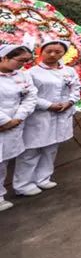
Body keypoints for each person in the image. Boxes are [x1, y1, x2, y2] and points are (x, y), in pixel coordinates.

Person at [13, 40, 79, 197]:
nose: (53, 55)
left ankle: (43, 177)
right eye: (49, 51)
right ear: (40, 52)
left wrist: (69, 102)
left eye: (58, 52)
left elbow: (76, 88)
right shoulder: (31, 73)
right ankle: (23, 184)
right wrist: (48, 105)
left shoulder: (69, 71)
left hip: (62, 114)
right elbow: (29, 95)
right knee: (31, 151)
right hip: (39, 116)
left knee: (51, 148)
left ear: (64, 53)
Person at [0, 44, 37, 211]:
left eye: (27, 61)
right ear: (4, 57)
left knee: (4, 162)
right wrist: (4, 121)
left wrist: (18, 118)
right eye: (20, 60)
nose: (23, 65)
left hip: (14, 124)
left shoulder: (22, 76)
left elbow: (30, 96)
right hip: (4, 124)